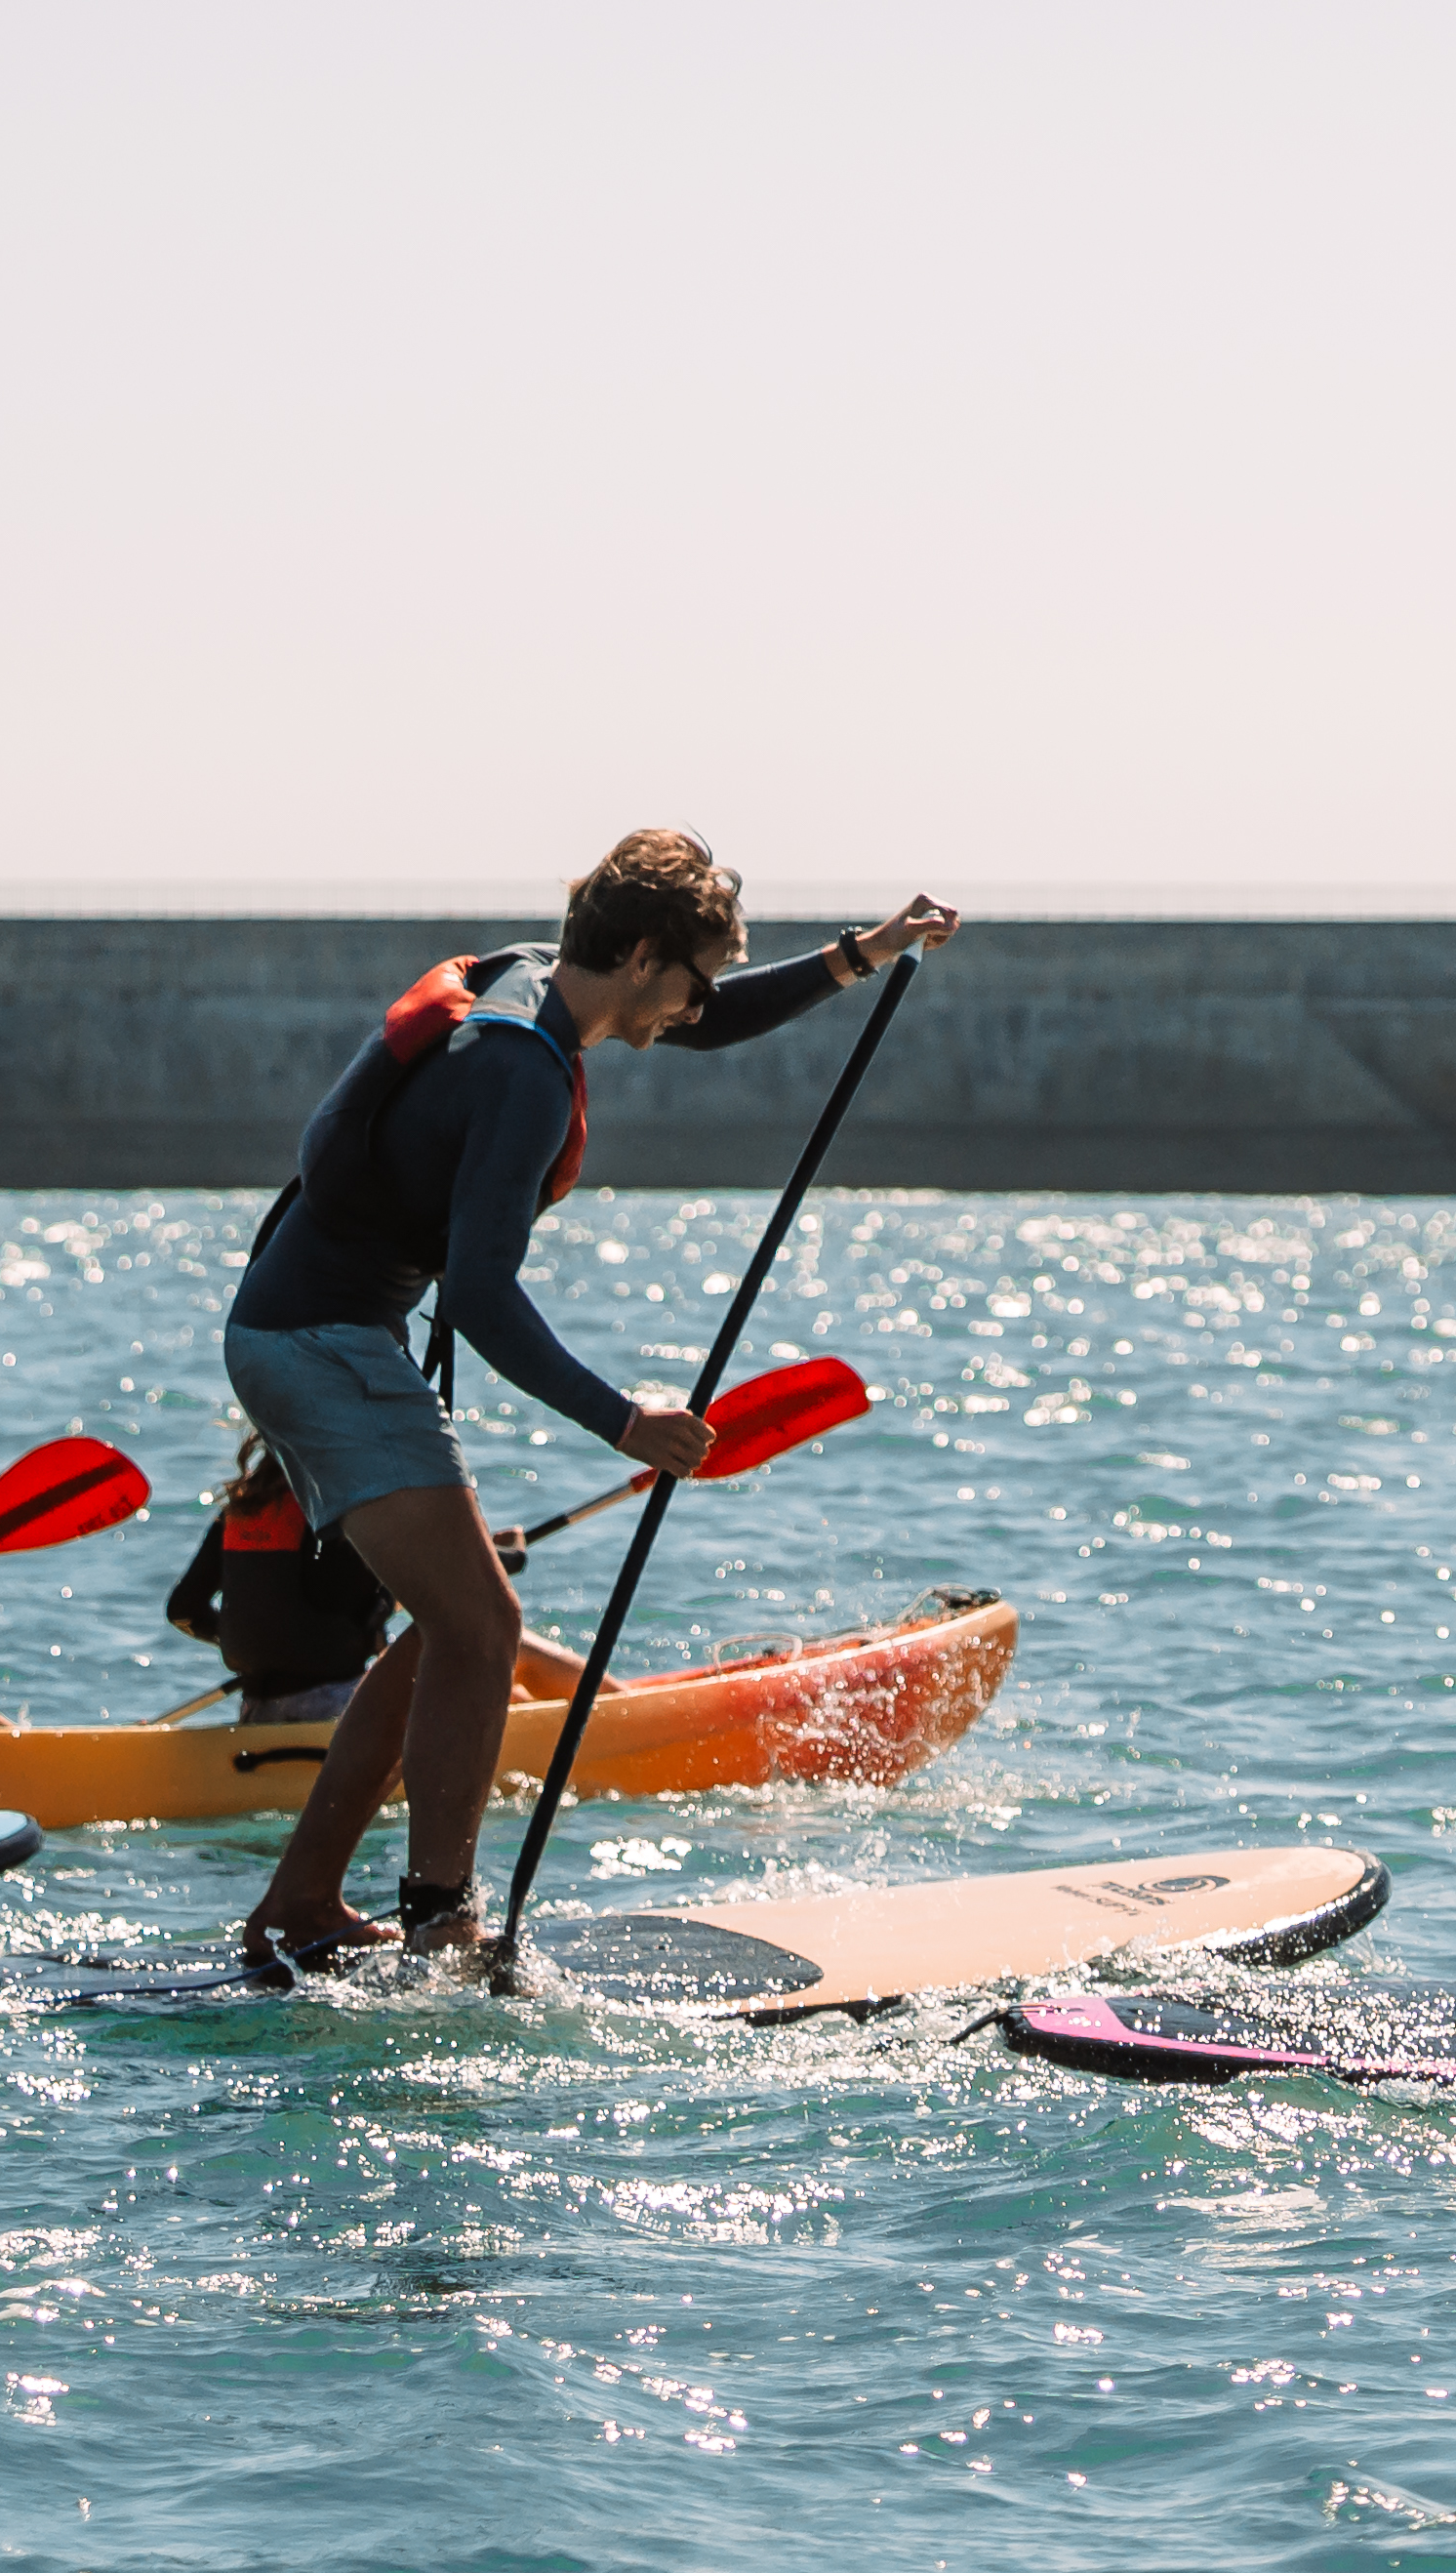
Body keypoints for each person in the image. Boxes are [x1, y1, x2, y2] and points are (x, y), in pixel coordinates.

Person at [218, 831, 957, 1977]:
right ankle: (441, 1918)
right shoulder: (517, 1072)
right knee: (486, 1626)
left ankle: (301, 1901)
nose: (695, 1008)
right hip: (324, 1342)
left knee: (444, 1625)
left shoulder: (533, 981)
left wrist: (862, 954)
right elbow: (477, 1296)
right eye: (691, 978)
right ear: (647, 954)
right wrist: (625, 1421)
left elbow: (707, 1020)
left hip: (304, 1329)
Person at [162, 1435, 567, 1726]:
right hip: (341, 1710)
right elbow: (464, 1571)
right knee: (511, 1649)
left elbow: (184, 1610)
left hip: (258, 1709)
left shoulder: (243, 1509)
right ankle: (613, 1711)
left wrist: (245, 1640)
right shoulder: (349, 1507)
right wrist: (511, 1553)